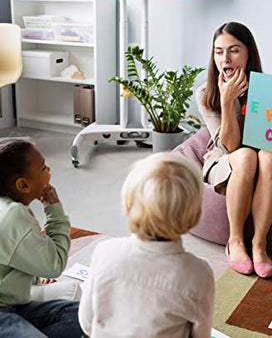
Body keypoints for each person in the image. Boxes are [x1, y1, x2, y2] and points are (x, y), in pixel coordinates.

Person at [197, 21, 272, 278]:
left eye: (234, 50)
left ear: (248, 53)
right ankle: (235, 240)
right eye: (218, 51)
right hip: (227, 158)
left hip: (264, 155)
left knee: (268, 155)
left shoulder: (270, 90)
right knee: (246, 155)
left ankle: (259, 244)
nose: (225, 58)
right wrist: (227, 102)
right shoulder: (205, 93)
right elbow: (230, 147)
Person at [79, 152, 215, 338]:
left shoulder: (105, 252)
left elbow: (87, 322)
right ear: (196, 216)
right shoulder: (198, 274)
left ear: (127, 204)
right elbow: (201, 335)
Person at [0, 139, 82, 338]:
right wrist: (54, 211)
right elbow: (55, 265)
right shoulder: (14, 216)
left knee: (81, 315)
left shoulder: (7, 207)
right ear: (23, 184)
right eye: (44, 167)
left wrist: (35, 275)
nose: (49, 169)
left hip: (15, 305)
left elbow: (11, 254)